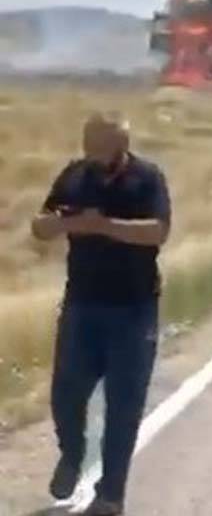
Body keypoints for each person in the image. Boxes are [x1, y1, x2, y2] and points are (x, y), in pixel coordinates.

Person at [32, 114, 171, 516]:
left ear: (119, 146)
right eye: (87, 144)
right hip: (82, 305)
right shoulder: (75, 176)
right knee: (66, 394)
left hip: (134, 309)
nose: (90, 153)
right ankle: (72, 454)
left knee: (123, 407)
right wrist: (71, 223)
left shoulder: (147, 178)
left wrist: (105, 226)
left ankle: (110, 496)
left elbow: (157, 231)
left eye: (98, 146)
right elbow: (41, 226)